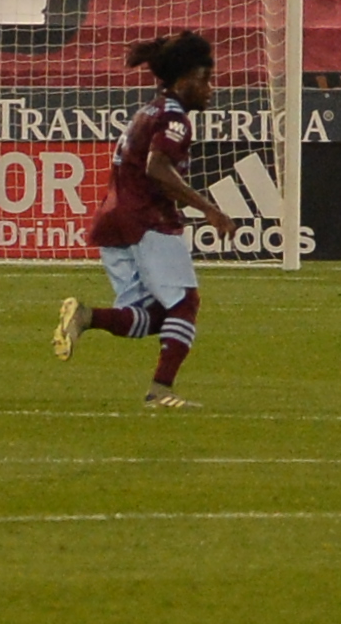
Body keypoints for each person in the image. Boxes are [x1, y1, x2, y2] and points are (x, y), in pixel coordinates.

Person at [55, 30, 233, 408]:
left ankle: (87, 317)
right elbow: (157, 168)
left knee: (152, 315)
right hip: (147, 220)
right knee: (184, 304)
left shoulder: (148, 110)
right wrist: (209, 208)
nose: (210, 88)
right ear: (184, 80)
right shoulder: (175, 119)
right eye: (205, 79)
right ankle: (160, 391)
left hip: (114, 219)